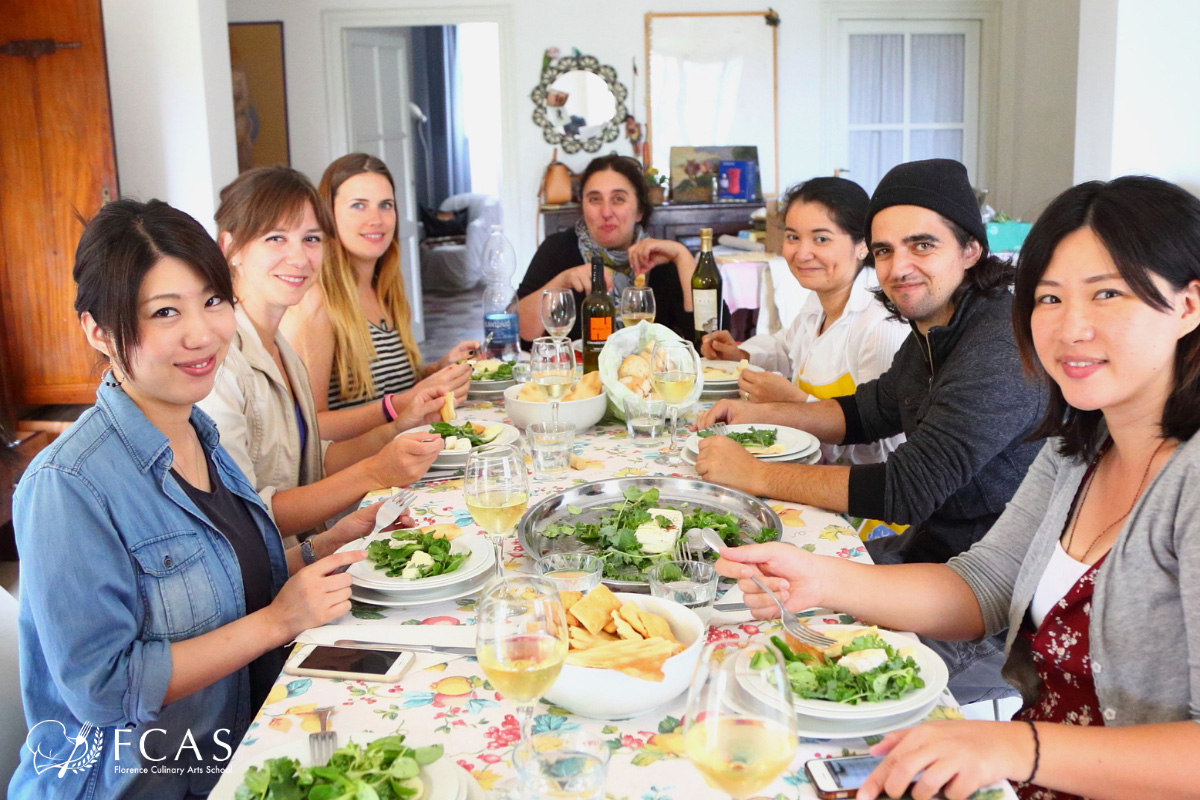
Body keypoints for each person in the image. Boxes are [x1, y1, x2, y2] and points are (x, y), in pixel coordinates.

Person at [715, 175, 1200, 800]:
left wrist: (1012, 747)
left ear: (1188, 305)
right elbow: (986, 584)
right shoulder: (1080, 446)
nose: (1071, 327)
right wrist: (821, 578)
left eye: (1107, 294)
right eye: (1049, 299)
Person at [8, 199, 396, 798]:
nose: (203, 333)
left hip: (242, 748)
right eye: (165, 312)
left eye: (212, 301)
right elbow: (104, 688)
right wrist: (280, 620)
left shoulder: (196, 431)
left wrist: (323, 547)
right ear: (99, 331)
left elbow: (218, 587)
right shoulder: (68, 486)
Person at [699, 159, 1047, 703]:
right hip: (923, 554)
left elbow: (902, 491)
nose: (898, 266)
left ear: (971, 250)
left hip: (986, 604)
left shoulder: (998, 348)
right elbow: (866, 411)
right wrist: (759, 415)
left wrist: (755, 475)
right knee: (735, 610)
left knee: (789, 683)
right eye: (885, 250)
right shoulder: (938, 324)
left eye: (922, 245)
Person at [199, 166, 442, 538]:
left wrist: (396, 428)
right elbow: (247, 518)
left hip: (303, 550)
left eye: (311, 239)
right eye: (276, 238)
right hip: (264, 581)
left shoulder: (278, 347)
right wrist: (375, 471)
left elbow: (313, 459)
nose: (299, 258)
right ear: (231, 248)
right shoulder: (218, 363)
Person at [700, 176, 909, 465]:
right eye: (792, 237)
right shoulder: (819, 299)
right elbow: (786, 348)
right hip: (803, 465)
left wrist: (792, 404)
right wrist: (741, 353)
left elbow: (884, 450)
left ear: (863, 244)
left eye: (821, 239)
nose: (801, 253)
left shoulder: (881, 325)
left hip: (853, 494)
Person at [280, 153, 474, 443]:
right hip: (359, 475)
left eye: (386, 205)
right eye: (358, 206)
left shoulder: (385, 289)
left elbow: (383, 388)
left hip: (407, 454)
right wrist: (402, 403)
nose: (376, 219)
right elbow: (311, 427)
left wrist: (436, 370)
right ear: (327, 215)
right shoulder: (316, 300)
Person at [516, 154, 697, 345]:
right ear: (583, 207)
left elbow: (709, 337)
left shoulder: (659, 257)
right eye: (595, 199)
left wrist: (682, 256)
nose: (606, 212)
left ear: (639, 211)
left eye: (618, 199)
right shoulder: (558, 248)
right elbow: (523, 332)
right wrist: (563, 281)